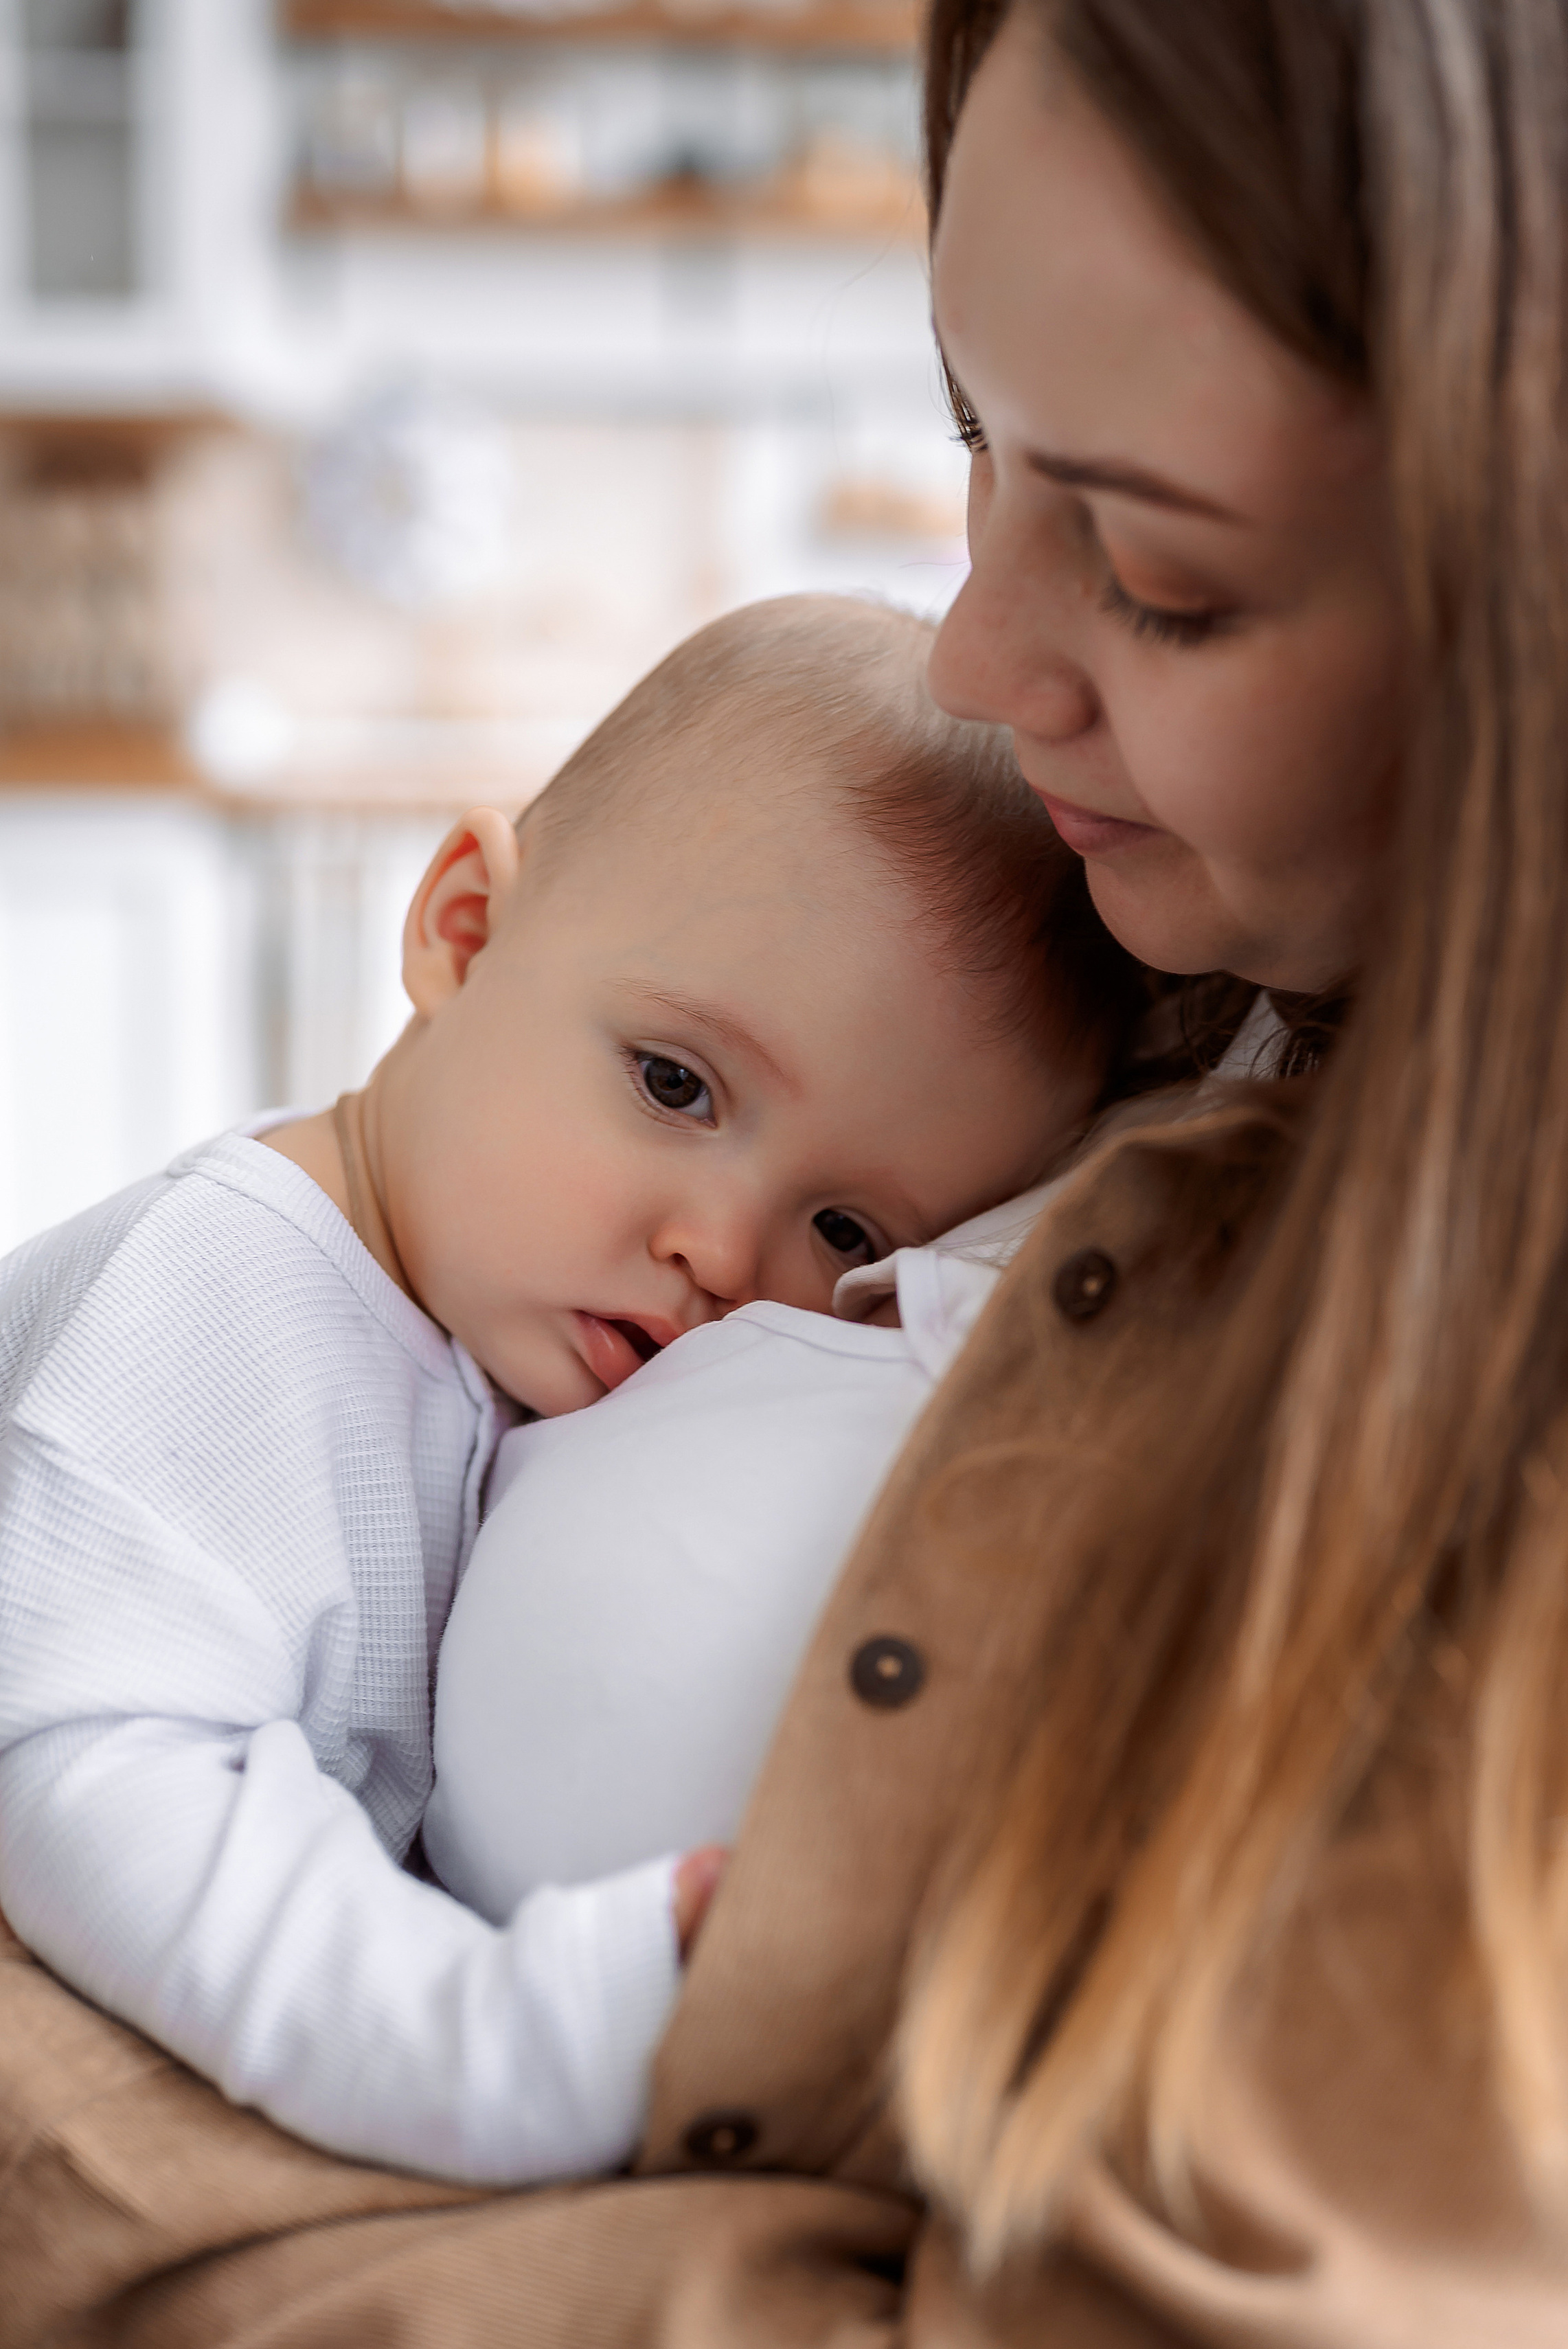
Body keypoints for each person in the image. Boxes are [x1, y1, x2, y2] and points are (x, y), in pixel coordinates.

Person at [6, 0, 1568, 2349]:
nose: (980, 647)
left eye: (1164, 571)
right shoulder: (1183, 936)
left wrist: (88, 2152)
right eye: (971, 433)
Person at [0, 591, 1132, 2190]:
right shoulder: (212, 1302)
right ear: (461, 930)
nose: (722, 1247)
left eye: (847, 1229)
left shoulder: (474, 1321)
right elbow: (85, 1781)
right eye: (677, 1084)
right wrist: (501, 2035)